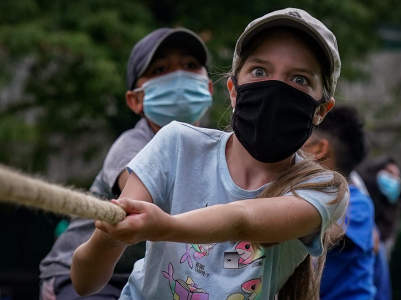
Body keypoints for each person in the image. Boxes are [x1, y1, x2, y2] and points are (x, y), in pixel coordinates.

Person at [71, 8, 349, 300]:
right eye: (259, 71)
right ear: (233, 90)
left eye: (300, 79)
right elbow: (84, 281)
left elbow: (244, 219)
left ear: (321, 110)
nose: (276, 87)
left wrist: (166, 226)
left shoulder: (324, 189)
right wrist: (110, 238)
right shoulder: (177, 144)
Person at [39, 27, 213, 300]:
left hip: (157, 276)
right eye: (159, 70)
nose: (178, 76)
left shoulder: (214, 147)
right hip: (87, 276)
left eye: (190, 65)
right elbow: (145, 190)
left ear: (209, 87)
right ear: (135, 100)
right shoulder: (132, 144)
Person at [301, 105, 376, 299]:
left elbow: (326, 232)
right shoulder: (306, 197)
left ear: (319, 149)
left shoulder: (358, 204)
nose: (295, 147)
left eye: (302, 139)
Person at [357, 157, 401, 300]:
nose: (393, 180)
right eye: (389, 173)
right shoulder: (358, 201)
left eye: (396, 176)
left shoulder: (390, 216)